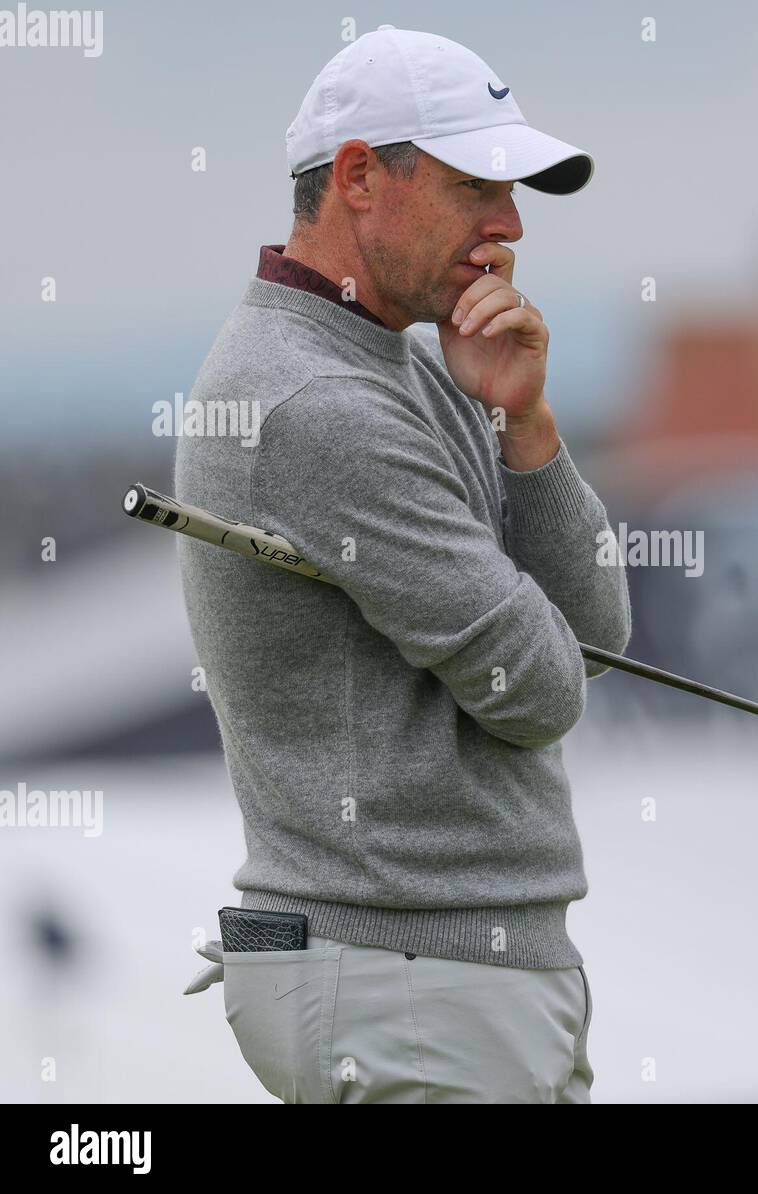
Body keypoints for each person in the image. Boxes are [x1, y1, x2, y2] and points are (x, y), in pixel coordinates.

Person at [177, 26, 631, 1104]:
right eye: (477, 184)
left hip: (434, 979)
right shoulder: (320, 404)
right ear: (359, 177)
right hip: (408, 984)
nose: (509, 225)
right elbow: (540, 690)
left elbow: (597, 638)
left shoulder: (403, 370)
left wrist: (524, 423)